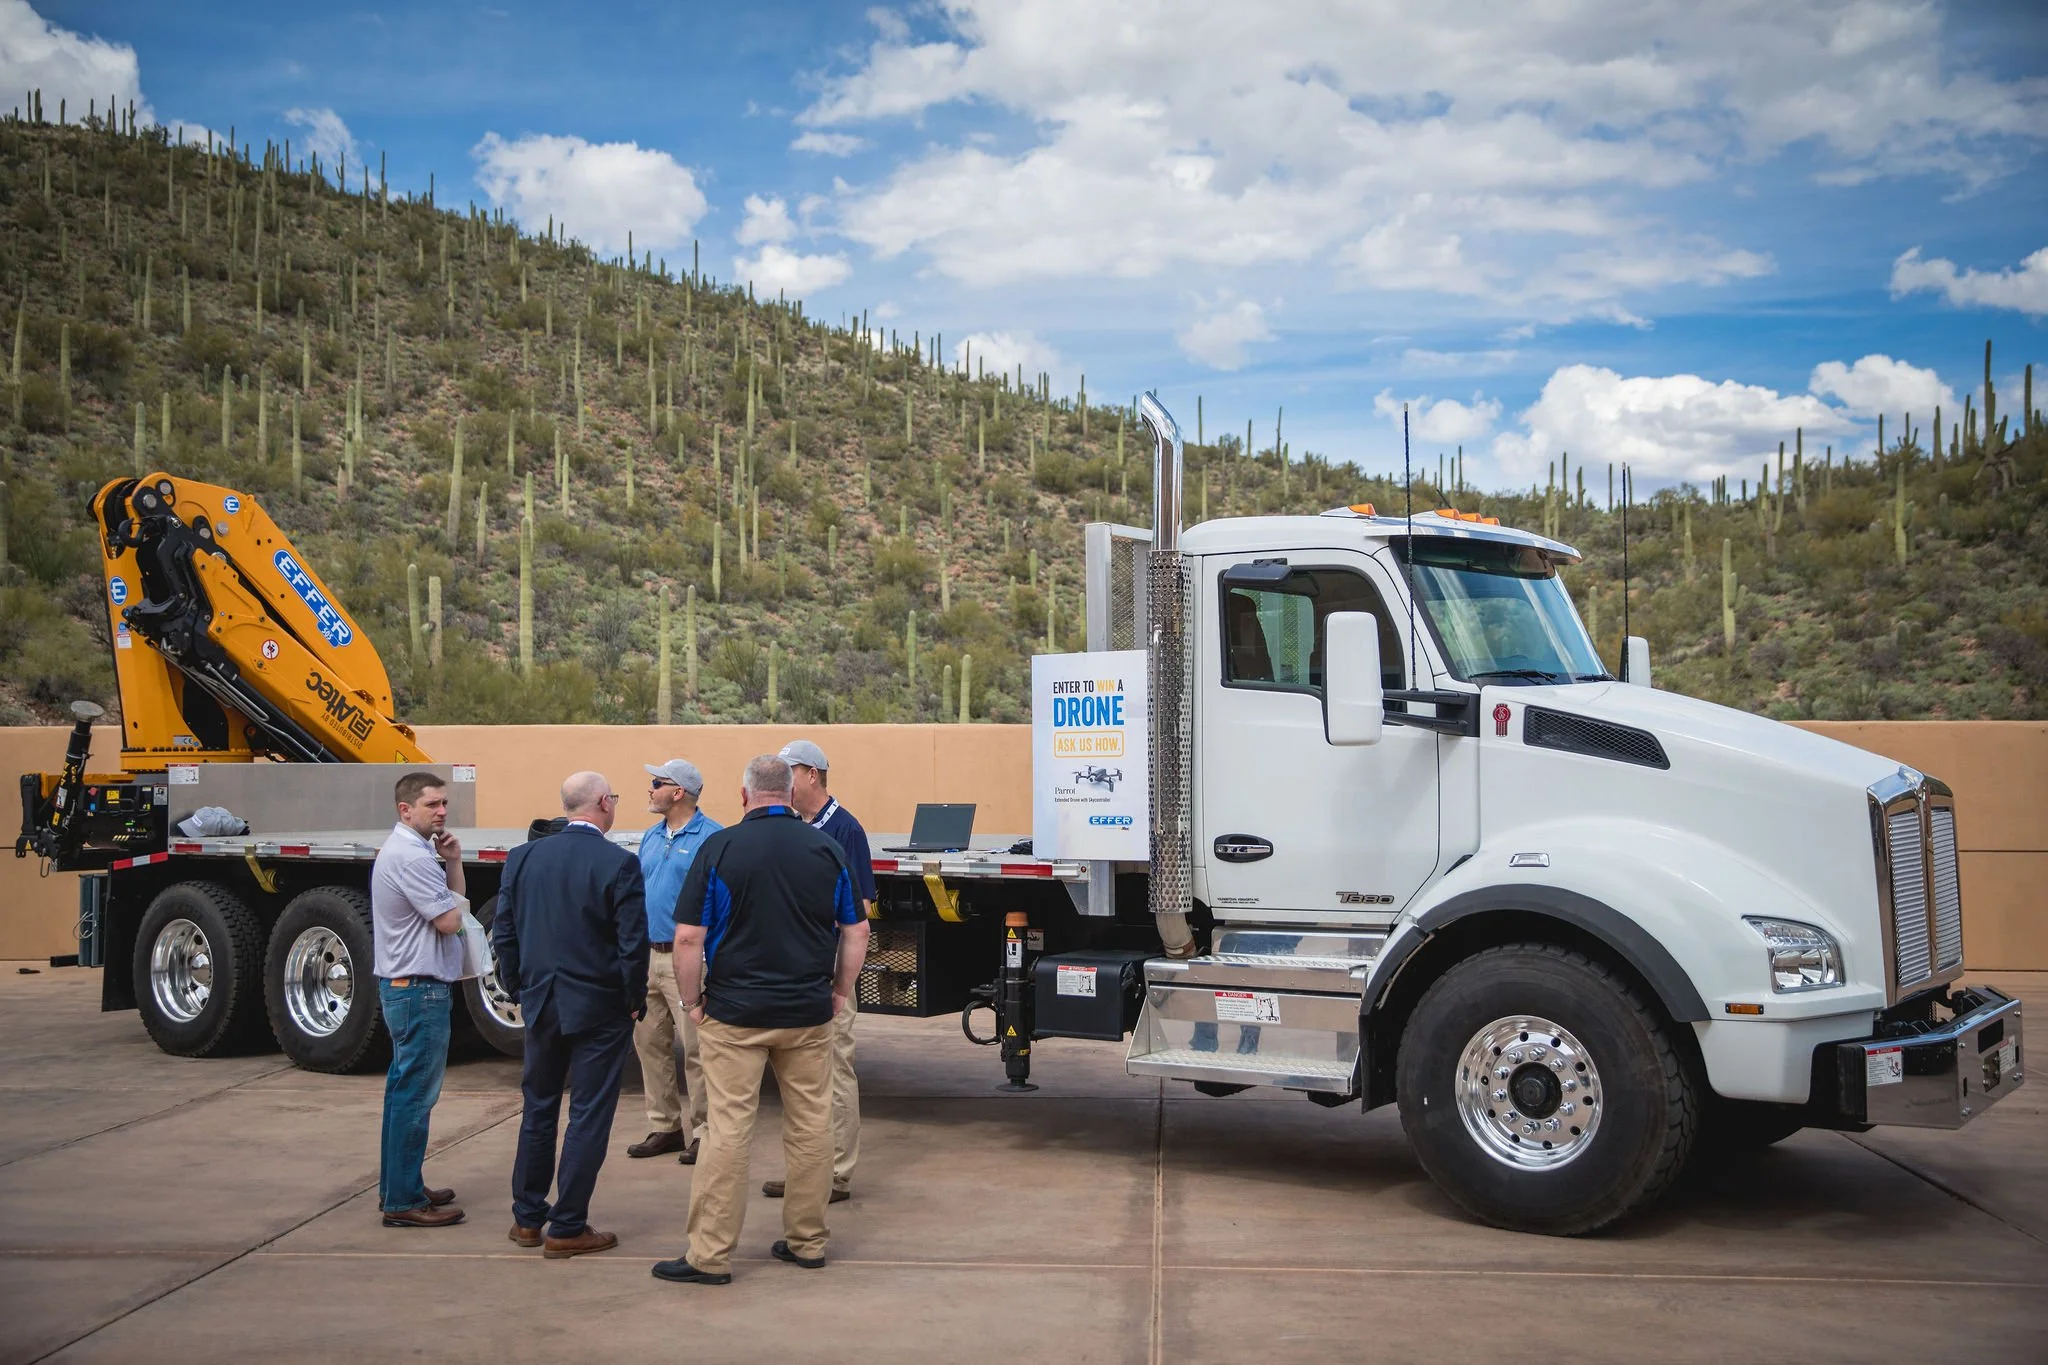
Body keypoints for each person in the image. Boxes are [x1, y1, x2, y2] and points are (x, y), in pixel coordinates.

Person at [652, 755, 870, 1286]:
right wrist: (839, 991)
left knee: (728, 1129)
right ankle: (808, 1242)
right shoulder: (827, 849)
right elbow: (857, 931)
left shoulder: (719, 848)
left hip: (735, 1015)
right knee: (812, 1124)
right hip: (807, 1014)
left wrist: (691, 1002)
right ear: (791, 794)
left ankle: (710, 1255)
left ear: (745, 795)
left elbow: (688, 938)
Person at [492, 772, 648, 1259]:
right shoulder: (619, 863)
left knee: (538, 1108)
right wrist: (633, 997)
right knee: (588, 1113)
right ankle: (567, 1225)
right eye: (613, 798)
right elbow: (631, 943)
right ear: (603, 803)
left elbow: (504, 932)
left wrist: (520, 987)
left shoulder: (523, 858)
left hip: (542, 1001)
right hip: (599, 1006)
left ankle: (527, 1218)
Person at [760, 739, 875, 1205]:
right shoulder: (791, 826)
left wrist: (840, 979)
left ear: (812, 774)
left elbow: (860, 911)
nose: (784, 782)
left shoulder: (845, 829)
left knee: (835, 1069)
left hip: (826, 968)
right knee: (797, 1075)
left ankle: (836, 1174)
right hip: (793, 966)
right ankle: (806, 1171)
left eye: (790, 772)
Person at [371, 771, 469, 1229]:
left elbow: (453, 906)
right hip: (419, 989)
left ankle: (400, 1185)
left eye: (444, 803)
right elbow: (451, 920)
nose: (442, 812)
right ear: (405, 809)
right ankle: (402, 1200)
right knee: (414, 1097)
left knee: (402, 1093)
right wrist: (451, 900)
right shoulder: (410, 857)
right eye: (432, 804)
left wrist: (453, 862)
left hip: (409, 987)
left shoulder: (413, 851)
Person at [627, 758, 722, 1162]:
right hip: (647, 955)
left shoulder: (712, 838)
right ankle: (664, 1126)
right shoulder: (651, 836)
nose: (650, 790)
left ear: (678, 792)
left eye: (657, 783)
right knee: (650, 1044)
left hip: (689, 959)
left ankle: (704, 1131)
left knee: (699, 1049)